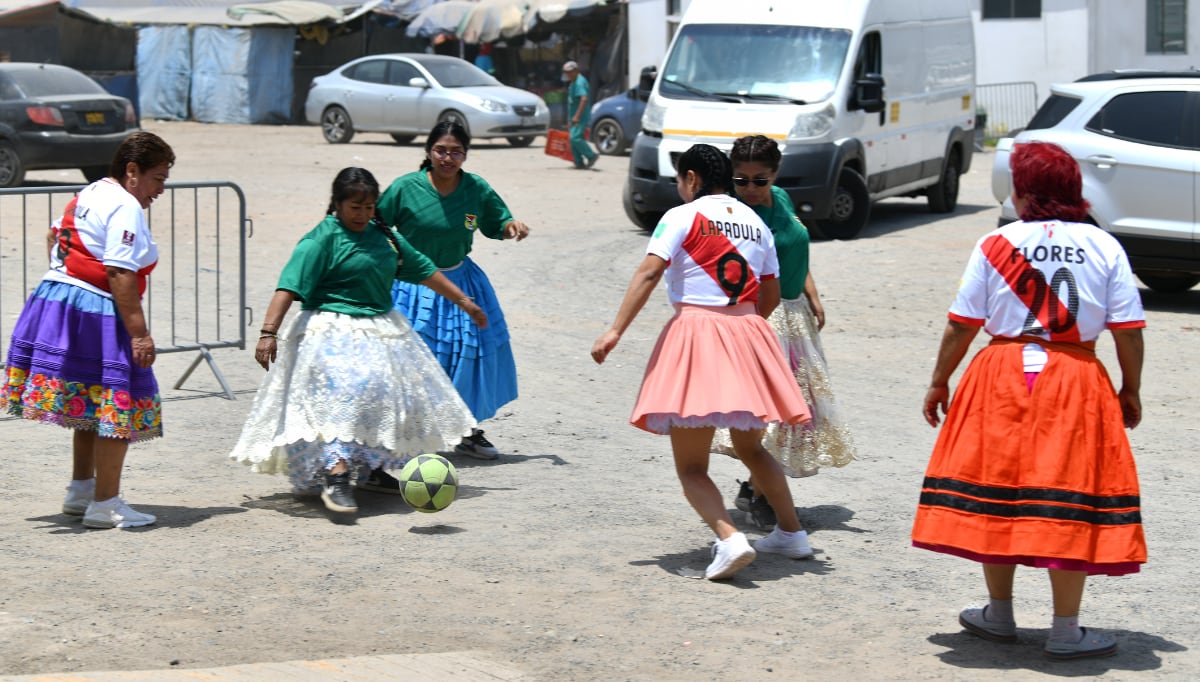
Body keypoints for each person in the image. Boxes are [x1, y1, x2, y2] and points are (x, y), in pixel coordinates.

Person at [911, 142, 1147, 660]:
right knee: (1069, 493)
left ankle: (999, 613)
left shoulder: (995, 242)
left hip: (1000, 372)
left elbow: (962, 323)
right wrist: (1130, 387)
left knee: (1000, 490)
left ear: (1025, 190)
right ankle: (1066, 629)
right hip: (1074, 373)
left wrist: (938, 379)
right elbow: (1127, 329)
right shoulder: (1103, 245)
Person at [591, 143, 814, 581]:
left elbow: (650, 272)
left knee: (692, 466)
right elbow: (772, 292)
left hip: (699, 331)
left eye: (680, 180)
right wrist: (742, 330)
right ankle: (792, 533)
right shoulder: (754, 222)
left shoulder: (681, 216)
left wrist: (616, 329)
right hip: (750, 332)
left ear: (691, 178)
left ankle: (730, 539)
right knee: (751, 447)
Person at [228, 167, 486, 518]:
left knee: (385, 392)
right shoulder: (322, 239)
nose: (363, 214)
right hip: (330, 328)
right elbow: (288, 285)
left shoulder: (386, 237)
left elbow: (424, 269)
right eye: (355, 207)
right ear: (336, 204)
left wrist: (465, 301)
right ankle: (336, 474)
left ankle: (370, 468)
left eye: (369, 207)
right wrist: (268, 333)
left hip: (381, 327)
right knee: (346, 390)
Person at [2, 131, 174, 529]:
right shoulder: (126, 206)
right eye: (158, 179)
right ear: (132, 172)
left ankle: (82, 491)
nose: (160, 190)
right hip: (97, 310)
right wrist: (139, 334)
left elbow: (53, 235)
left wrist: (68, 279)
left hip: (57, 300)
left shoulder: (91, 192)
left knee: (92, 404)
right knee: (118, 402)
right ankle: (106, 504)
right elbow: (118, 271)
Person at [712, 135, 856, 530]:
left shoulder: (783, 200)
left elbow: (793, 249)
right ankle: (762, 497)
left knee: (795, 410)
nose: (750, 189)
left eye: (760, 180)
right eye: (741, 180)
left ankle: (755, 489)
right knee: (769, 412)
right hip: (763, 317)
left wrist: (812, 293)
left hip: (795, 317)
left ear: (775, 174)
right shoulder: (732, 215)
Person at [377, 122, 530, 460]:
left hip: (462, 281)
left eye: (456, 151)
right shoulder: (405, 188)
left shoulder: (475, 188)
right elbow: (376, 225)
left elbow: (495, 223)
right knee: (413, 359)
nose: (448, 157)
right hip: (414, 286)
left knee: (465, 355)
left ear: (465, 155)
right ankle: (404, 435)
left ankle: (465, 430)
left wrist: (510, 226)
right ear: (429, 151)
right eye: (441, 150)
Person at [562, 61, 598, 170]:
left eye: (571, 72)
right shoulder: (573, 82)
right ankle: (578, 162)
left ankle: (591, 155)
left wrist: (577, 116)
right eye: (567, 72)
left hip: (580, 117)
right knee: (572, 139)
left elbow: (584, 99)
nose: (569, 74)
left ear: (576, 71)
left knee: (575, 138)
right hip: (574, 116)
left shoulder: (579, 82)